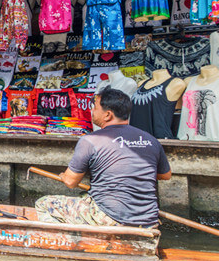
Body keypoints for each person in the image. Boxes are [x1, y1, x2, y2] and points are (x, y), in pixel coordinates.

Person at [35, 88, 172, 227]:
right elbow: (165, 175)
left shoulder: (91, 140)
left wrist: (63, 176)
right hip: (148, 219)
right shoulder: (150, 140)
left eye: (95, 107)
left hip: (109, 216)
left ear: (107, 115)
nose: (92, 111)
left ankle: (66, 242)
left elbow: (71, 182)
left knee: (44, 203)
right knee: (85, 196)